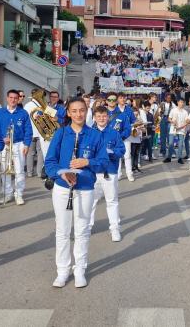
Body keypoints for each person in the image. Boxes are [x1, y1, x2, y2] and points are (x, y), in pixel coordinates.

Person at [44, 97, 108, 288]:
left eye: (82, 110)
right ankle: (62, 271)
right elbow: (49, 162)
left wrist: (87, 162)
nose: (79, 114)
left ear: (87, 110)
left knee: (82, 231)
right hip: (63, 188)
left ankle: (80, 269)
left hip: (85, 188)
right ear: (69, 113)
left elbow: (104, 161)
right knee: (62, 232)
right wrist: (61, 175)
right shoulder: (61, 133)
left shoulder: (95, 135)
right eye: (74, 111)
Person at [89, 105, 126, 242]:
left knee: (112, 201)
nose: (101, 119)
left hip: (109, 171)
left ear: (108, 117)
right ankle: (87, 227)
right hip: (93, 172)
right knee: (90, 201)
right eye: (98, 116)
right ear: (94, 118)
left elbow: (122, 150)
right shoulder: (88, 132)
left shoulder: (114, 133)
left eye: (104, 116)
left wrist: (111, 153)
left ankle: (114, 228)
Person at [0, 89, 32, 205]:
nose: (13, 100)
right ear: (7, 98)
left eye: (15, 98)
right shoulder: (0, 113)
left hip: (19, 144)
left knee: (19, 170)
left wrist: (27, 144)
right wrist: (1, 139)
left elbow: (28, 130)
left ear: (18, 99)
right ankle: (8, 193)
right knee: (5, 170)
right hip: (4, 144)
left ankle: (19, 194)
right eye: (11, 98)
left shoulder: (23, 113)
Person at [115, 93, 136, 181]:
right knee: (118, 155)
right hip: (116, 136)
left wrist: (135, 128)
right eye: (121, 98)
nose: (123, 99)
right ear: (117, 100)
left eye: (124, 98)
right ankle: (118, 174)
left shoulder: (129, 110)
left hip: (127, 135)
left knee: (127, 155)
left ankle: (129, 173)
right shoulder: (114, 110)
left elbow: (133, 121)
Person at [166, 98, 188, 164]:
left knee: (180, 144)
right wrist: (172, 121)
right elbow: (169, 118)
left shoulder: (185, 112)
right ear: (178, 102)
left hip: (181, 130)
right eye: (181, 102)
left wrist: (183, 125)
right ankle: (169, 157)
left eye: (183, 102)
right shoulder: (173, 110)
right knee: (170, 143)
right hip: (173, 129)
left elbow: (187, 121)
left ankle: (179, 158)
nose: (182, 104)